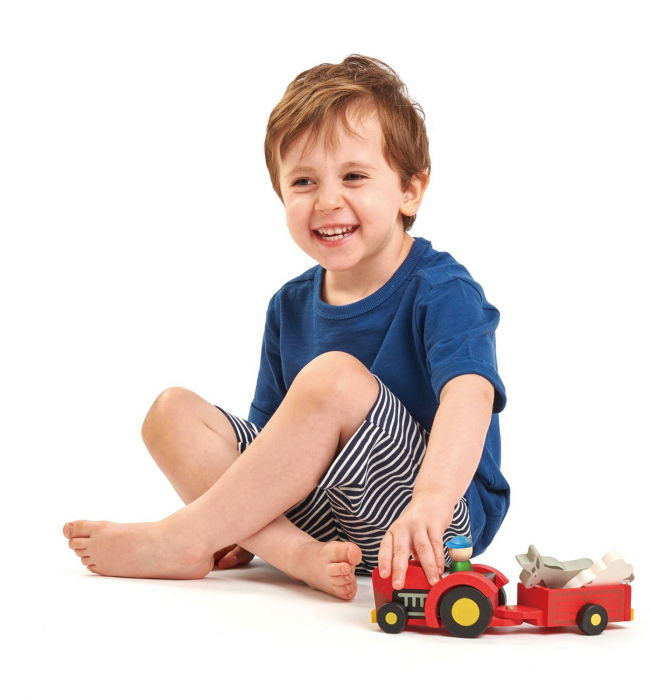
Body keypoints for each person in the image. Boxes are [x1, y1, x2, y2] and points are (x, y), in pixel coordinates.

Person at [63, 54, 509, 601]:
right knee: (169, 412)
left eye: (354, 176)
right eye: (303, 181)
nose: (327, 200)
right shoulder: (289, 304)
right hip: (320, 517)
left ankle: (185, 538)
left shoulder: (442, 289)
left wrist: (433, 499)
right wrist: (241, 515)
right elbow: (273, 442)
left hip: (426, 519)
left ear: (410, 190)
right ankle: (291, 553)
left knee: (333, 378)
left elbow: (470, 395)